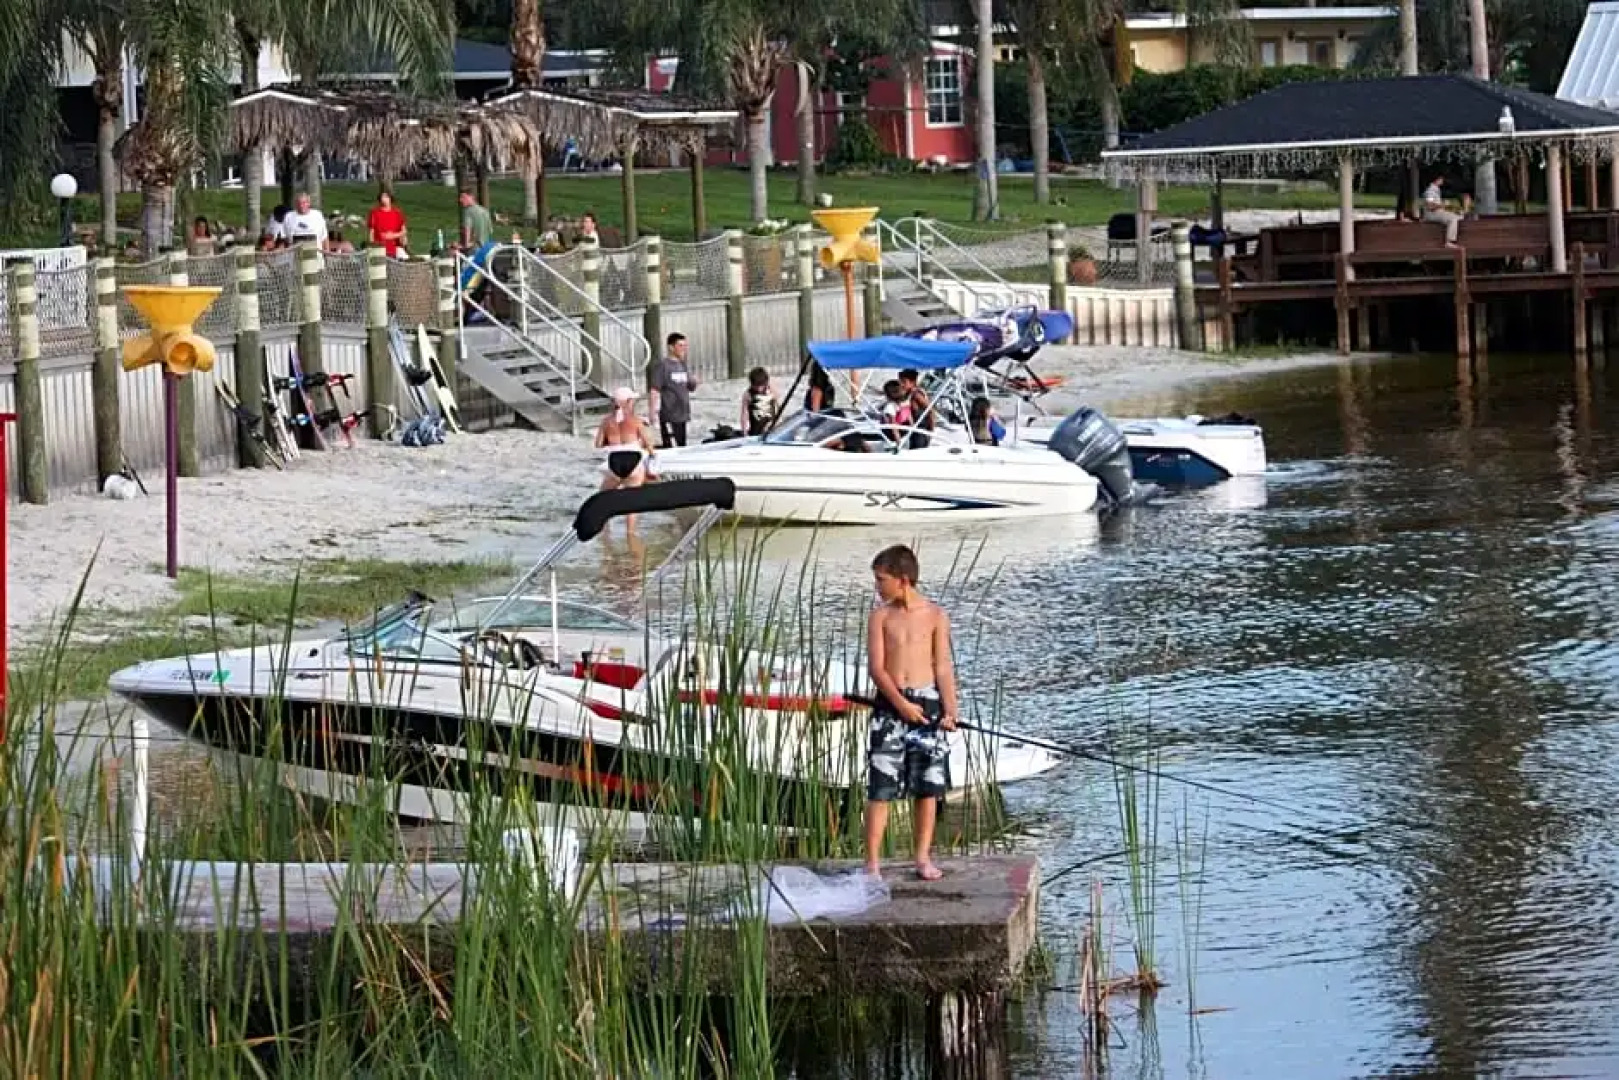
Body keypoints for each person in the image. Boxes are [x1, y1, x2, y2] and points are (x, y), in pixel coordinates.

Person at [864, 544, 959, 882]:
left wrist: (950, 710)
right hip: (891, 704)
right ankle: (872, 864)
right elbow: (877, 668)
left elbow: (943, 667)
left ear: (903, 580)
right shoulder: (880, 617)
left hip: (927, 702)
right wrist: (900, 704)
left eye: (881, 579)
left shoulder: (935, 616)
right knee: (881, 784)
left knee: (928, 784)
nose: (877, 586)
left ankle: (922, 857)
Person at [594, 387, 655, 503]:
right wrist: (653, 456)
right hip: (633, 459)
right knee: (632, 504)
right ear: (628, 402)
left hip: (614, 461)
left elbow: (598, 444)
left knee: (602, 500)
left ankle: (605, 521)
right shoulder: (636, 420)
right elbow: (648, 443)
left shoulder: (606, 421)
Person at [649, 332, 698, 448]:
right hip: (669, 413)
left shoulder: (683, 365)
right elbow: (654, 390)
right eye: (680, 346)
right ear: (671, 347)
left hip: (683, 413)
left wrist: (694, 382)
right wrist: (652, 413)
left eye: (685, 346)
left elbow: (691, 387)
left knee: (682, 445)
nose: (684, 349)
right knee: (671, 447)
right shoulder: (663, 366)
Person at [897, 368, 934, 449]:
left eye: (904, 382)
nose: (901, 384)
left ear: (913, 382)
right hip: (913, 429)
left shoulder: (916, 395)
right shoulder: (908, 394)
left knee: (918, 452)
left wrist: (931, 430)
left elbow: (930, 411)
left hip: (921, 430)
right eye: (900, 381)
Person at [368, 191, 408, 257]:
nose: (384, 199)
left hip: (395, 245)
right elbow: (371, 232)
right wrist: (371, 245)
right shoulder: (374, 213)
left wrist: (393, 235)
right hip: (380, 245)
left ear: (390, 198)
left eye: (386, 197)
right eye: (382, 197)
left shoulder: (397, 212)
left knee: (403, 251)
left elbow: (404, 231)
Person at [741, 367, 779, 436]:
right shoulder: (748, 394)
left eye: (761, 386)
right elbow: (744, 414)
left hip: (771, 428)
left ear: (766, 382)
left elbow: (778, 409)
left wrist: (775, 423)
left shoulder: (772, 391)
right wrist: (744, 431)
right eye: (756, 386)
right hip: (756, 429)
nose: (759, 389)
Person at [1422, 176, 1460, 247]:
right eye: (1441, 179)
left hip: (1436, 212)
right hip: (1432, 214)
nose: (1442, 181)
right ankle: (1449, 241)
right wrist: (1443, 204)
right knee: (1452, 218)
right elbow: (1430, 206)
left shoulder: (1435, 190)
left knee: (1458, 216)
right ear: (1437, 179)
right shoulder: (1431, 191)